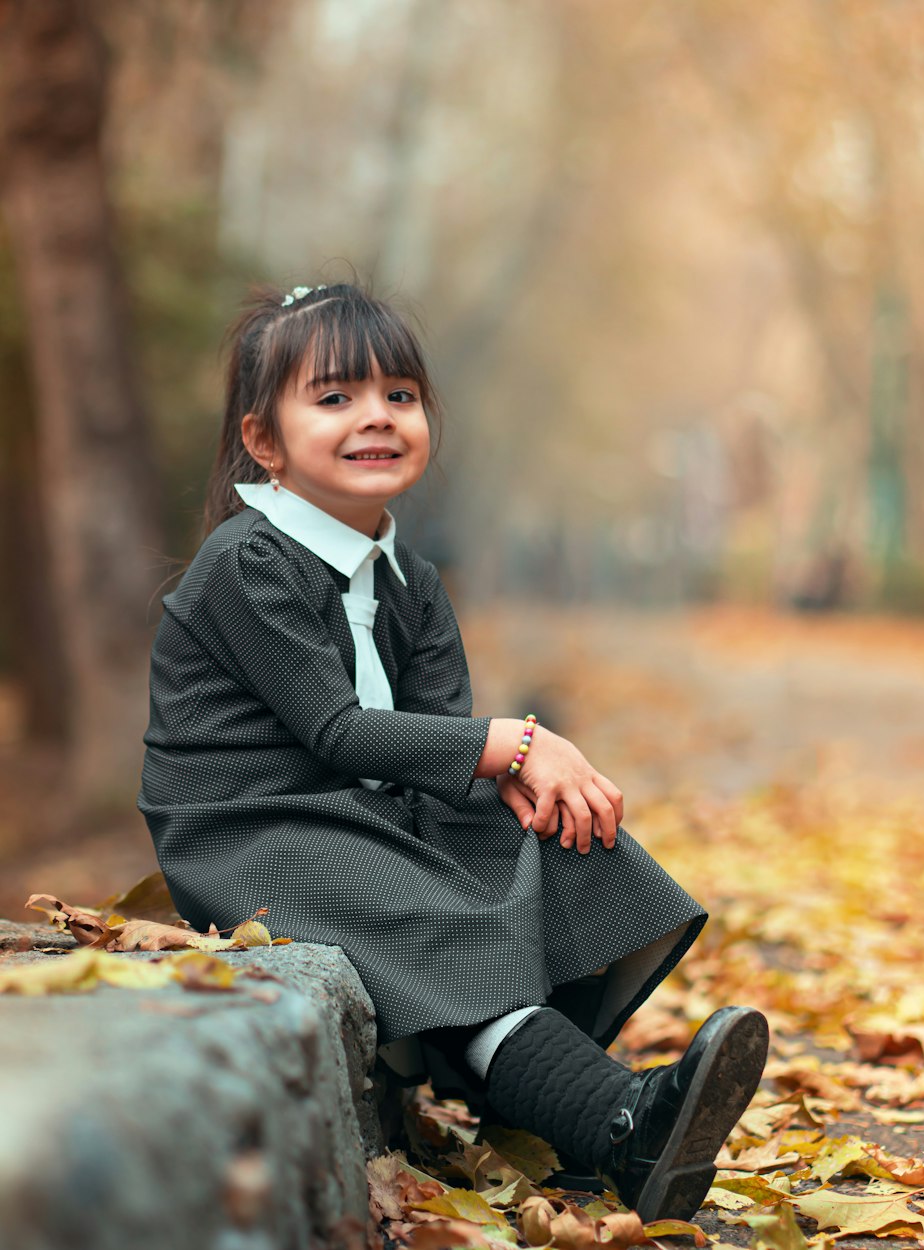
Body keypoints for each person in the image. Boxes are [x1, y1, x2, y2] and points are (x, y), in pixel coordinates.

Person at [137, 280, 768, 1222]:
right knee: (436, 913)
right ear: (263, 441)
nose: (377, 418)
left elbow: (440, 742)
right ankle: (618, 1119)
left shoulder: (412, 582)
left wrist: (517, 795)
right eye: (336, 397)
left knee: (559, 848)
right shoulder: (247, 563)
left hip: (365, 810)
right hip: (256, 829)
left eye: (400, 395)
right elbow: (339, 731)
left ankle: (558, 1111)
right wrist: (515, 744)